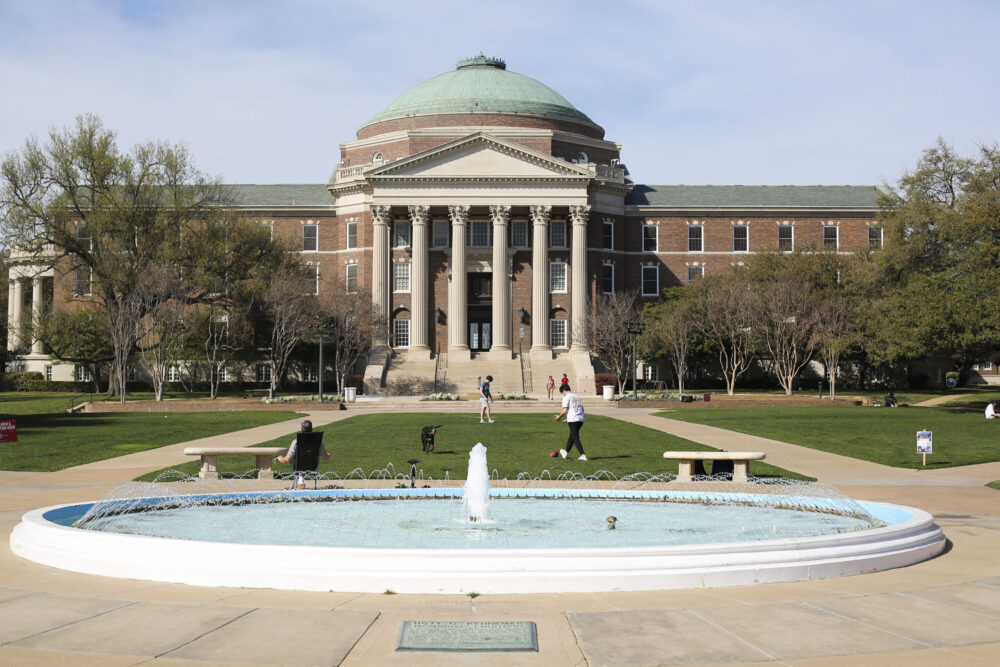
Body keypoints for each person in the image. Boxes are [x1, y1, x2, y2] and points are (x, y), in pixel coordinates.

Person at [278, 419, 330, 487]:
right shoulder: (318, 442)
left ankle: (300, 479)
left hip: (298, 466)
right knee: (304, 460)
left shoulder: (296, 442)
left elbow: (287, 459)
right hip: (313, 466)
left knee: (296, 460)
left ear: (301, 429)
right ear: (312, 429)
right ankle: (301, 479)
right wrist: (328, 454)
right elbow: (325, 458)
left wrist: (280, 458)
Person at [555, 384, 587, 461]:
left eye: (562, 393)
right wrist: (567, 419)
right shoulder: (577, 396)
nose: (563, 395)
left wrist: (559, 417)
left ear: (563, 391)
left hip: (574, 419)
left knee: (575, 437)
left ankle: (582, 454)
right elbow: (577, 409)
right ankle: (566, 452)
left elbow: (565, 410)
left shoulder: (566, 397)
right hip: (580, 419)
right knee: (572, 436)